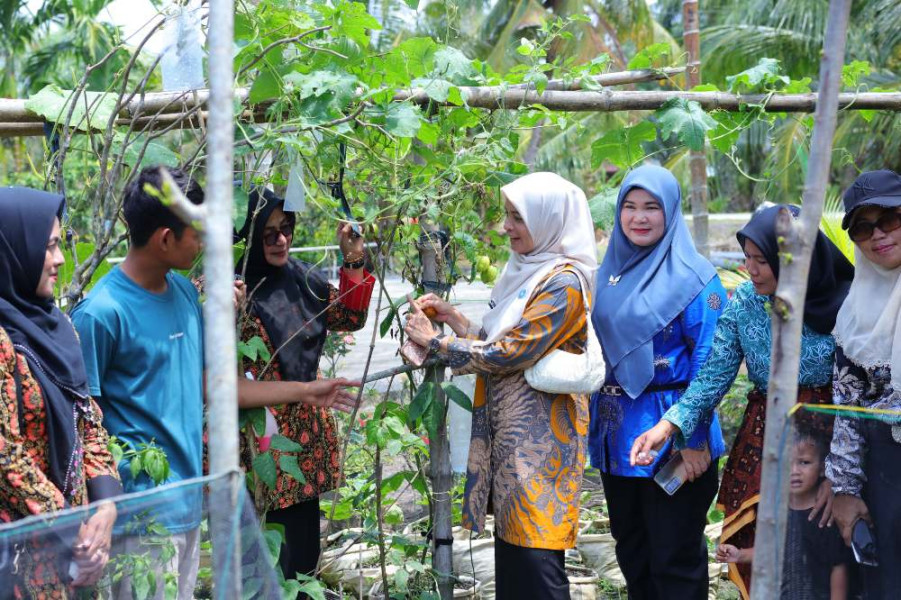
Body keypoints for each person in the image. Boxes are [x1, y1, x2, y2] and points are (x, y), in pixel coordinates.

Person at [71, 167, 357, 598]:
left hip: (189, 504)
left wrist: (304, 391)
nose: (206, 242)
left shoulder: (186, 295)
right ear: (166, 238)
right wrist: (103, 507)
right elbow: (84, 425)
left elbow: (215, 384)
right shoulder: (100, 314)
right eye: (198, 232)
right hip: (140, 517)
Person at [631, 204, 854, 599]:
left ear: (795, 260)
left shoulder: (843, 304)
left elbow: (858, 390)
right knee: (762, 548)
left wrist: (839, 473)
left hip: (826, 442)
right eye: (746, 258)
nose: (750, 269)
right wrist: (667, 425)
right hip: (766, 439)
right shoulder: (745, 303)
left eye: (761, 260)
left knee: (823, 554)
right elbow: (713, 376)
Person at [404, 172, 597, 600]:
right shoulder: (530, 273)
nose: (506, 226)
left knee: (537, 562)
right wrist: (455, 320)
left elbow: (511, 352)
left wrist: (434, 341)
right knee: (515, 558)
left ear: (548, 221)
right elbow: (499, 340)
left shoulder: (563, 282)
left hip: (541, 448)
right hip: (512, 442)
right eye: (507, 216)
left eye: (517, 218)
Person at [589, 165, 727, 599]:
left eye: (651, 207)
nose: (639, 217)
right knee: (634, 554)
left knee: (675, 560)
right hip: (616, 437)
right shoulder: (607, 273)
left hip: (676, 436)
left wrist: (693, 438)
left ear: (670, 211)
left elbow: (712, 362)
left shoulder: (698, 278)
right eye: (629, 206)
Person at [233, 188, 374, 580]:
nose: (281, 240)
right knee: (262, 563)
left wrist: (353, 257)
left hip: (304, 443)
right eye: (268, 233)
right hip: (258, 443)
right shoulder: (235, 291)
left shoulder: (303, 278)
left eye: (286, 229)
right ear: (250, 236)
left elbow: (348, 315)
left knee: (303, 559)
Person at [0, 187, 122, 598]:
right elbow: (4, 457)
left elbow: (88, 421)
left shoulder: (58, 327)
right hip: (17, 558)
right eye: (48, 246)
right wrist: (76, 529)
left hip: (72, 555)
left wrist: (105, 506)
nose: (58, 259)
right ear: (15, 250)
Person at [827, 169, 901, 598]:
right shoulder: (853, 317)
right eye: (863, 228)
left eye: (890, 219)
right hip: (887, 474)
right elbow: (848, 411)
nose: (879, 236)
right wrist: (845, 491)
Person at [717, 431, 852, 600]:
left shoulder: (827, 514)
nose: (794, 471)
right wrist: (740, 554)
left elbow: (838, 567)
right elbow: (771, 552)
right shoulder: (774, 511)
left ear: (822, 468)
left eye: (804, 462)